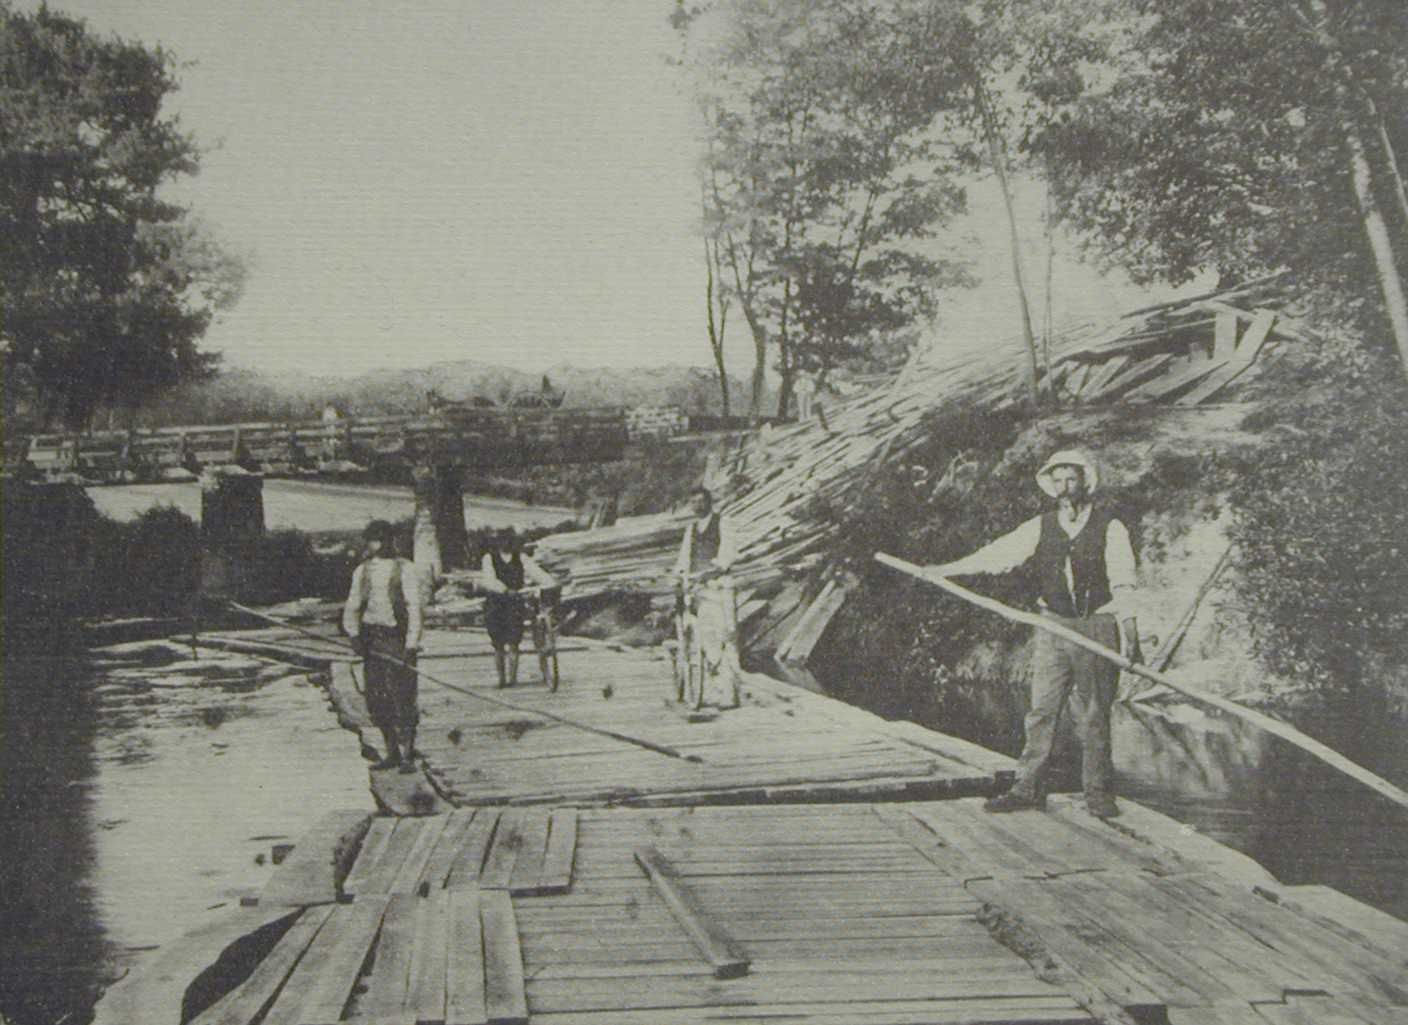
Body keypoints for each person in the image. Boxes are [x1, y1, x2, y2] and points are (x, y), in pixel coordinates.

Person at [926, 450, 1142, 818]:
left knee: (1093, 714)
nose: (1064, 488)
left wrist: (1131, 635)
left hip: (1098, 626)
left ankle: (1098, 793)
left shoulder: (1110, 526)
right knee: (1042, 709)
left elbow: (1124, 582)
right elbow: (997, 555)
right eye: (1056, 481)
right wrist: (945, 570)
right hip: (1053, 626)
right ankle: (1027, 788)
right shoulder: (1040, 526)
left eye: (1070, 479)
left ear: (1085, 482)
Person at [343, 520, 424, 773]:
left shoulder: (406, 569)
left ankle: (408, 755)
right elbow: (353, 605)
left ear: (393, 540)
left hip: (397, 639)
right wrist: (354, 635)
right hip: (372, 640)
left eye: (385, 538)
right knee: (377, 698)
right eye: (375, 539)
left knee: (404, 697)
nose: (381, 544)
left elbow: (414, 608)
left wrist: (411, 643)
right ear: (369, 542)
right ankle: (391, 753)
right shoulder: (362, 571)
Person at [673, 486, 742, 709]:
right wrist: (681, 577)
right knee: (707, 638)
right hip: (701, 592)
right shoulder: (691, 529)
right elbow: (684, 559)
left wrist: (712, 571)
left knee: (726, 636)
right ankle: (715, 690)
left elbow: (728, 555)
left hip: (720, 588)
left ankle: (730, 693)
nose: (697, 505)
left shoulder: (723, 522)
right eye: (693, 502)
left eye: (701, 501)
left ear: (709, 502)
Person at [481, 527, 559, 687]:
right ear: (496, 543)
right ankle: (501, 679)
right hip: (495, 603)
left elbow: (536, 573)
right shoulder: (489, 558)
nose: (505, 543)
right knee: (498, 644)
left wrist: (549, 582)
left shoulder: (521, 558)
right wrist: (503, 589)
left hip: (514, 603)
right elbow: (489, 579)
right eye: (501, 540)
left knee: (514, 641)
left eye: (508, 540)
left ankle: (512, 679)